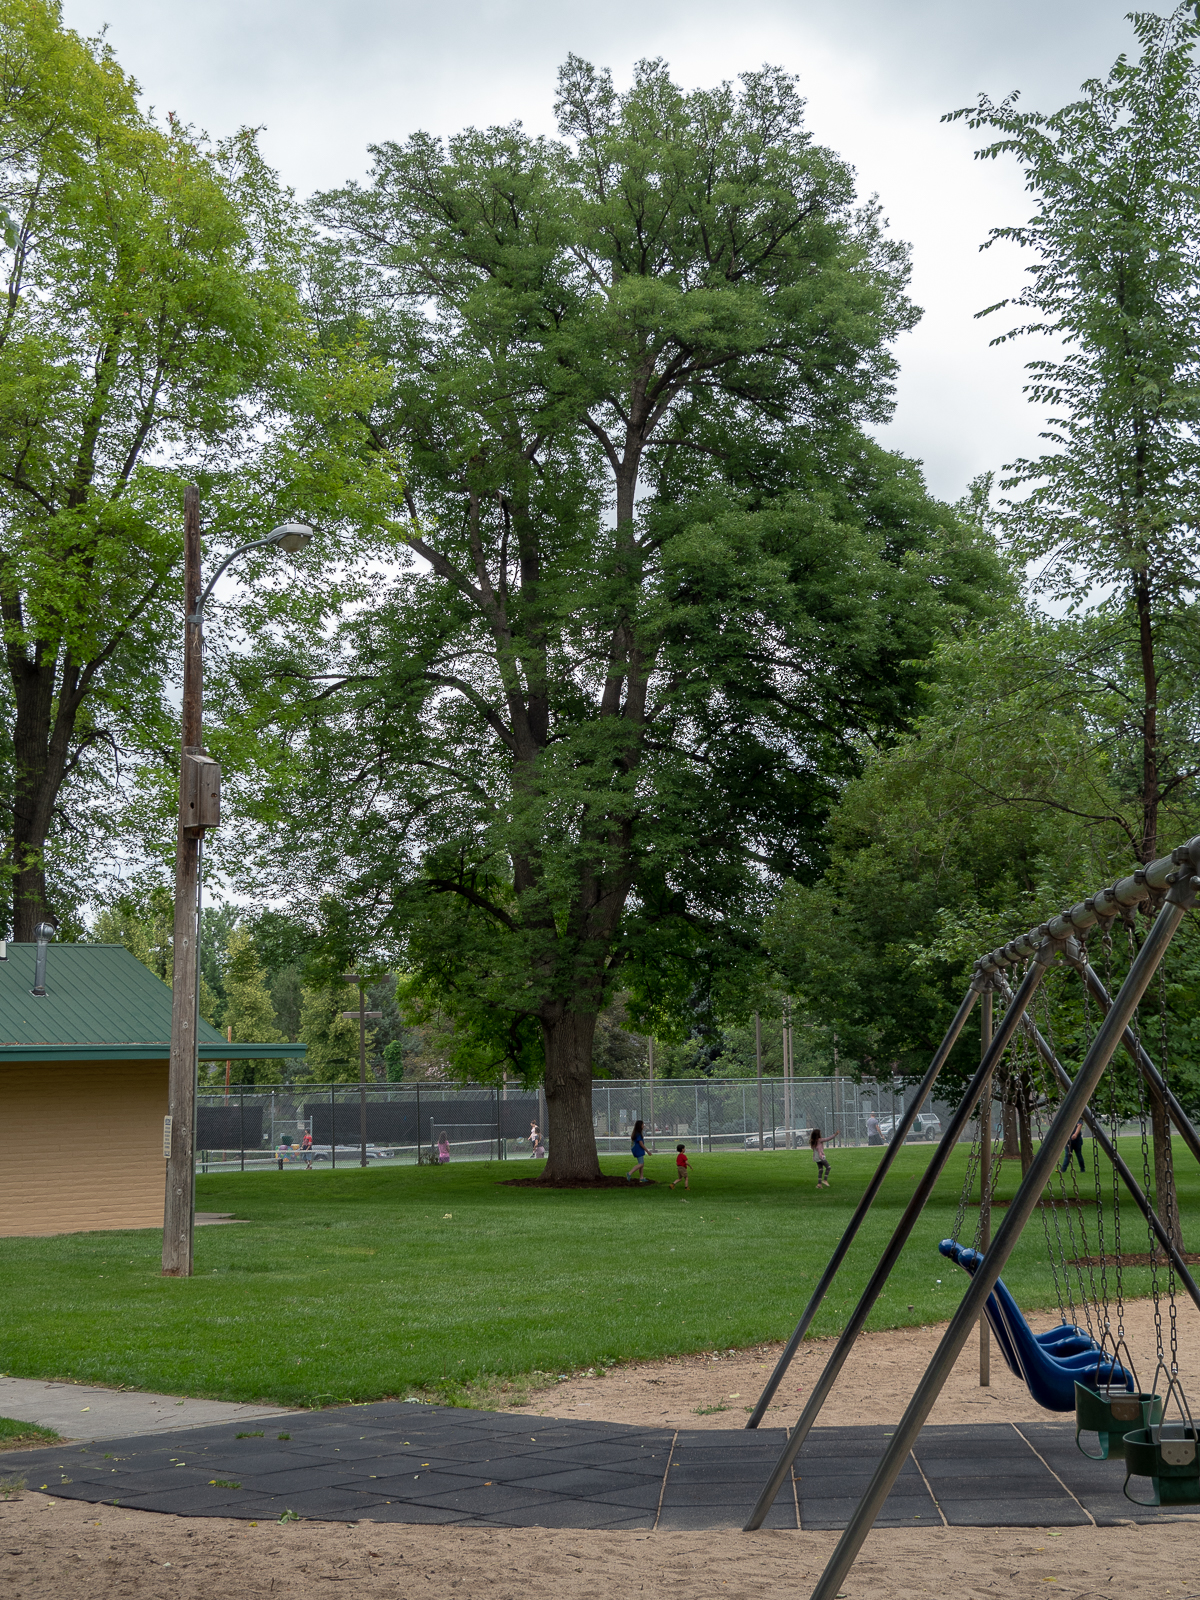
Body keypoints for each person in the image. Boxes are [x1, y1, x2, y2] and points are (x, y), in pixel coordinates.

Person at [627, 1119, 648, 1183]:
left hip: (638, 1150)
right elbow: (641, 1143)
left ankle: (641, 1177)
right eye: (642, 1125)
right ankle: (629, 1173)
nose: (643, 1126)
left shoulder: (636, 1133)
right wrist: (647, 1151)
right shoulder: (638, 1134)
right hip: (638, 1150)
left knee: (642, 1163)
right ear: (639, 1126)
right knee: (641, 1164)